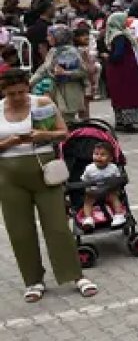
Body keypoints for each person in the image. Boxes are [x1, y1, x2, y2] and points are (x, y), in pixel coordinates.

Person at [0, 69, 97, 301]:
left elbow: (63, 133)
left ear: (28, 88)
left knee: (57, 228)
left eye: (22, 92)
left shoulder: (42, 102)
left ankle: (75, 275)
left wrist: (42, 136)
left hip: (44, 173)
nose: (17, 97)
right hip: (9, 178)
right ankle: (33, 281)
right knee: (20, 231)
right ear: (3, 91)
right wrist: (10, 142)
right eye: (12, 93)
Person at [103, 12, 138, 131]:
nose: (126, 22)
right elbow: (118, 55)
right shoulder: (120, 36)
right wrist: (109, 57)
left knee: (118, 95)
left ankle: (120, 121)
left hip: (116, 70)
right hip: (124, 70)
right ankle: (128, 122)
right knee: (128, 94)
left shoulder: (111, 34)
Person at [30, 25, 88, 122]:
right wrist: (29, 83)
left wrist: (66, 73)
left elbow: (82, 72)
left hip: (69, 90)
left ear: (58, 36)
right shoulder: (53, 51)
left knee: (67, 120)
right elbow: (43, 69)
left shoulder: (70, 52)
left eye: (50, 35)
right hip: (57, 90)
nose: (47, 38)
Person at [77, 142, 126, 229]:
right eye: (96, 154)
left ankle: (119, 215)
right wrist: (87, 189)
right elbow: (84, 181)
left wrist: (116, 187)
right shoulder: (89, 169)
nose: (98, 157)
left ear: (110, 158)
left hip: (109, 191)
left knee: (114, 197)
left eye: (103, 155)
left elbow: (118, 179)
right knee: (88, 200)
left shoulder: (113, 168)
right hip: (94, 192)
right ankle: (88, 218)